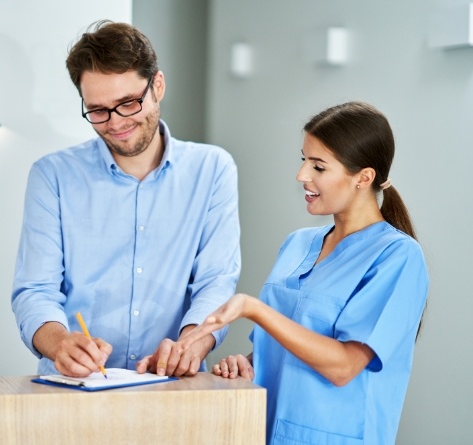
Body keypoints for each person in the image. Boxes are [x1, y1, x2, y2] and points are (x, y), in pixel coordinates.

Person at [178, 101, 428, 444]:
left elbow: (343, 367)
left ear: (364, 177)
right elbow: (284, 349)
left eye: (319, 167)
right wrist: (247, 363)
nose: (302, 176)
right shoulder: (297, 244)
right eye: (303, 160)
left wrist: (254, 309)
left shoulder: (397, 257)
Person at [11, 20, 241, 379]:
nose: (115, 123)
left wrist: (190, 345)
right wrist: (59, 343)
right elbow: (35, 290)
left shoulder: (212, 169)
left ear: (158, 86)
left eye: (128, 103)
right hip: (76, 388)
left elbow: (216, 282)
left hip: (172, 384)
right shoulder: (52, 175)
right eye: (98, 110)